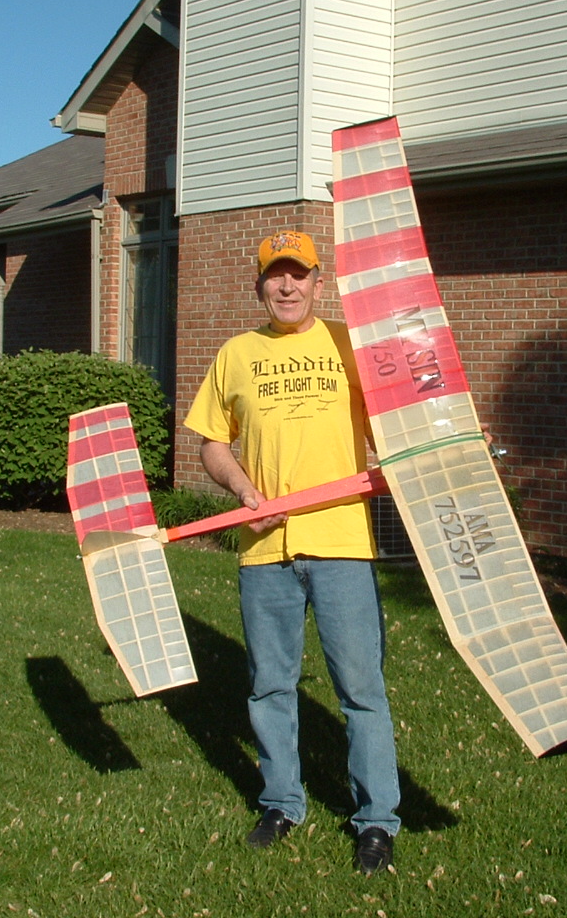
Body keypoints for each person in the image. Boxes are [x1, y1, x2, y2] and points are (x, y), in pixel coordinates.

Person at [184, 230, 401, 875]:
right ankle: (281, 802)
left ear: (317, 282)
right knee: (269, 686)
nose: (287, 285)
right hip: (264, 550)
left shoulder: (350, 345)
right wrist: (242, 490)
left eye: (299, 274)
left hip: (341, 545)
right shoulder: (236, 353)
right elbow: (211, 442)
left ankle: (376, 821)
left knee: (361, 689)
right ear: (259, 284)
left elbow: (399, 422)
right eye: (275, 275)